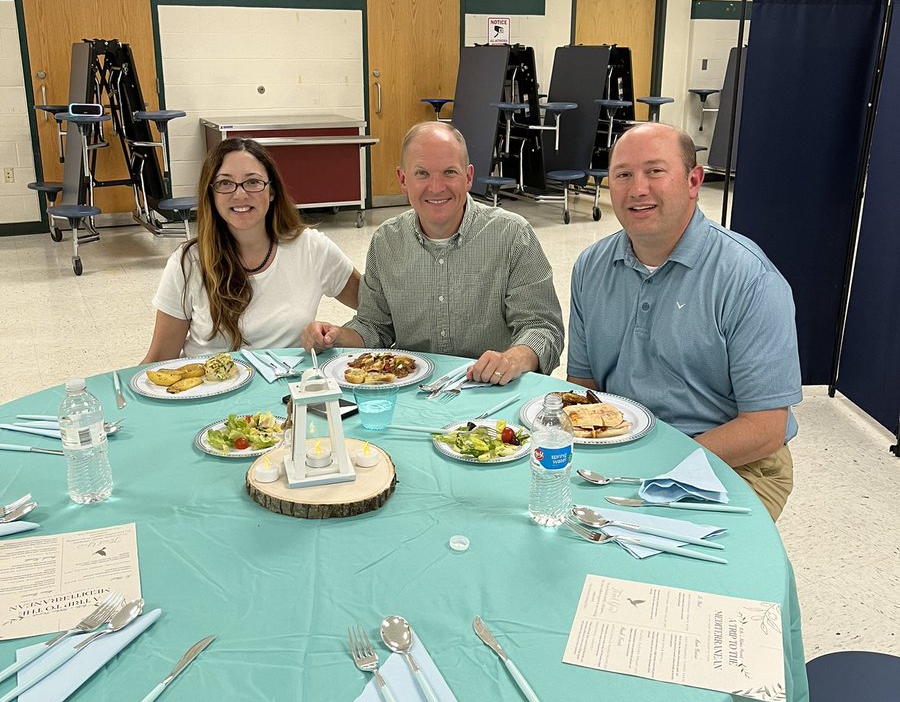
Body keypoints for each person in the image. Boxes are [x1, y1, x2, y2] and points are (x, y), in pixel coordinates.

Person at [567, 122, 801, 521]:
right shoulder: (591, 267)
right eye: (623, 175)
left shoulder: (748, 279)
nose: (637, 189)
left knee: (672, 557)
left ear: (694, 181)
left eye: (655, 171)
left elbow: (765, 429)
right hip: (622, 449)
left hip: (733, 461)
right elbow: (584, 388)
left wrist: (661, 464)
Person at [302, 122, 563, 383]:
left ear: (468, 177)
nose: (436, 187)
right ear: (403, 179)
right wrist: (336, 336)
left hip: (492, 390)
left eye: (449, 172)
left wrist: (513, 359)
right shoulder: (386, 242)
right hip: (412, 391)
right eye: (422, 173)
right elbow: (374, 326)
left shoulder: (512, 236)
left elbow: (542, 328)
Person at [143, 138, 360, 361]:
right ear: (211, 194)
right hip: (209, 383)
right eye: (225, 183)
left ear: (272, 191)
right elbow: (159, 358)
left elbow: (376, 310)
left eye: (253, 182)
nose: (240, 194)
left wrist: (338, 335)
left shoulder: (312, 248)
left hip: (290, 382)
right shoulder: (188, 262)